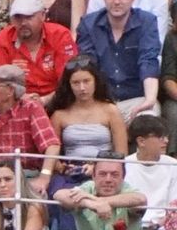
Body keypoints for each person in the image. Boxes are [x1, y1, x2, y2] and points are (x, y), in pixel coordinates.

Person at [0, 64, 61, 197]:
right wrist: (3, 181)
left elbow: (51, 145)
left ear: (10, 90)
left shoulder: (32, 108)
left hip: (27, 173)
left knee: (38, 194)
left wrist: (44, 177)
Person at [49, 58, 128, 218]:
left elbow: (121, 154)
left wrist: (97, 168)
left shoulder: (110, 111)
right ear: (69, 85)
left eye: (86, 81)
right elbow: (52, 153)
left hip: (104, 170)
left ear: (95, 81)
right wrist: (63, 167)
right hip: (70, 172)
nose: (82, 88)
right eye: (76, 83)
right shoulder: (59, 115)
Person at [75, 0, 160, 122]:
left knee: (148, 121)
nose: (117, 1)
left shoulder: (147, 21)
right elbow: (87, 65)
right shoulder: (89, 24)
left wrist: (150, 99)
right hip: (101, 100)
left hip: (136, 98)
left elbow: (148, 60)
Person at [0, 0, 78, 104]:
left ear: (43, 15)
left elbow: (69, 80)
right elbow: (1, 82)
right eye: (18, 17)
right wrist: (23, 99)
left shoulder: (61, 35)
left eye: (29, 17)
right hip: (16, 103)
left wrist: (45, 100)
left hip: (58, 102)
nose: (23, 23)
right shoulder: (3, 39)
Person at [53, 152, 146, 230]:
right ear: (93, 176)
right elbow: (59, 194)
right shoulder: (88, 188)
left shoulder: (127, 190)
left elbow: (141, 199)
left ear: (123, 177)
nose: (108, 179)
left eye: (114, 175)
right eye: (102, 174)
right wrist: (90, 204)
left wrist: (99, 200)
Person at [122, 113, 177, 226]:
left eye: (166, 136)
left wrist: (161, 224)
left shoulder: (173, 165)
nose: (166, 141)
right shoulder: (124, 165)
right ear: (141, 141)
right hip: (131, 225)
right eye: (160, 137)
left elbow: (174, 205)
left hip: (165, 226)